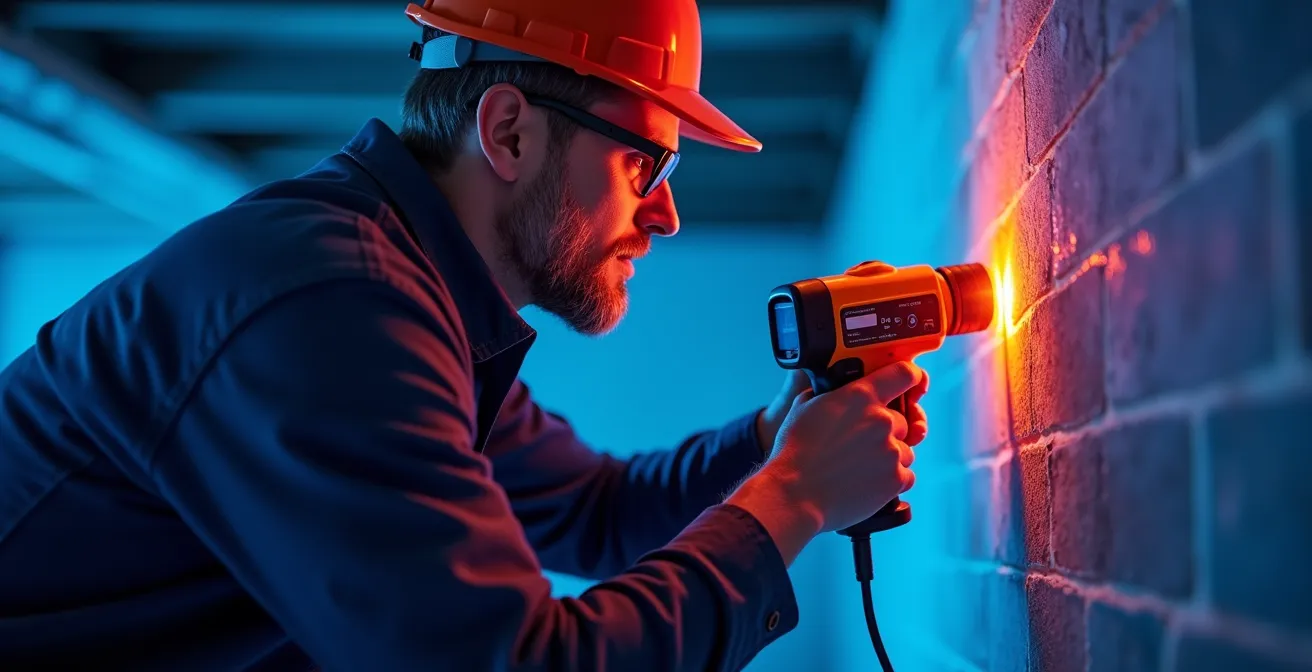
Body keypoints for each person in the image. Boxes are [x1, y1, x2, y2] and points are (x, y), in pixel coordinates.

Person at [0, 0, 930, 669]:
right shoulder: (333, 310)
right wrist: (798, 495)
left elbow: (596, 515)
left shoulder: (412, 294)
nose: (668, 214)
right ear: (510, 132)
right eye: (646, 162)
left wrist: (776, 440)